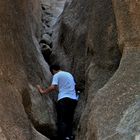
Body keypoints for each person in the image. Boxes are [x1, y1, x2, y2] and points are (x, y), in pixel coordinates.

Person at [37, 64, 78, 140]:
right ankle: (69, 136)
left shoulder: (57, 75)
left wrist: (43, 91)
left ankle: (63, 138)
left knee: (62, 120)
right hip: (73, 100)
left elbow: (53, 87)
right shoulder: (69, 74)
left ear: (53, 70)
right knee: (69, 119)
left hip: (63, 100)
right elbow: (70, 87)